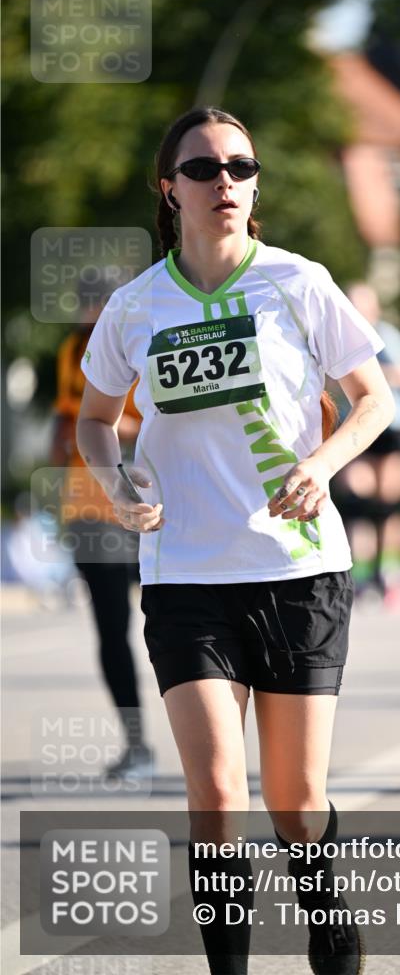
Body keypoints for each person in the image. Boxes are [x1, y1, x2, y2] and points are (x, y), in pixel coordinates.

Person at [76, 106, 394, 975]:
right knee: (217, 799)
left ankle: (325, 906)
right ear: (168, 187)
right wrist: (115, 483)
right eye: (206, 168)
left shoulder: (296, 281)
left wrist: (321, 464)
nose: (226, 182)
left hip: (297, 572)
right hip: (185, 575)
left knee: (293, 807)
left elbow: (374, 399)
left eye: (241, 167)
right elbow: (97, 420)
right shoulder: (137, 307)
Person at [51, 274, 153, 780]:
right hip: (90, 511)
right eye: (86, 300)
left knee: (178, 621)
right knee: (112, 633)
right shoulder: (72, 350)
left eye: (101, 301)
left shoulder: (142, 342)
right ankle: (137, 745)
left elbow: (152, 420)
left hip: (151, 502)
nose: (92, 310)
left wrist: (103, 424)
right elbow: (66, 419)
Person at [333, 282, 400, 608]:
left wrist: (373, 374)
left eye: (364, 305)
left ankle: (390, 571)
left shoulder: (386, 334)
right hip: (354, 424)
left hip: (391, 424)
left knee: (389, 502)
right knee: (358, 499)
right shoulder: (338, 334)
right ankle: (360, 573)